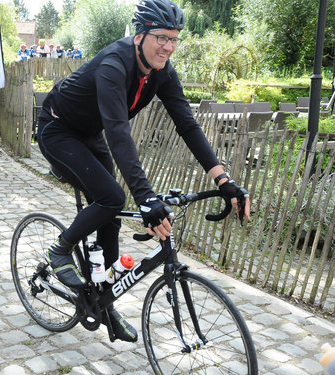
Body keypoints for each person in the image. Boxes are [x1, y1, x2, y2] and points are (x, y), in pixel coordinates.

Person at [37, 0, 250, 343]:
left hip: (89, 134)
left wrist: (223, 179)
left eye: (175, 39)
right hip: (57, 129)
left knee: (111, 216)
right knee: (112, 197)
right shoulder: (113, 65)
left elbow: (188, 125)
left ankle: (103, 302)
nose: (168, 46)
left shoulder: (162, 71)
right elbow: (119, 132)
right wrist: (146, 199)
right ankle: (60, 249)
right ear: (140, 36)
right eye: (161, 37)